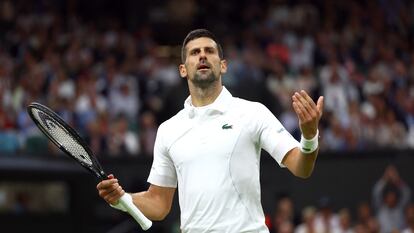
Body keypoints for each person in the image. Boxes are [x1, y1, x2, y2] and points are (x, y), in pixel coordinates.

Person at [96, 29, 324, 233]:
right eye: (194, 52)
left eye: (209, 51)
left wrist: (309, 136)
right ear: (183, 70)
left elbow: (301, 167)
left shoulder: (253, 112)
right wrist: (122, 199)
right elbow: (159, 204)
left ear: (223, 65)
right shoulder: (168, 130)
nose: (202, 55)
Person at [372, 164, 412, 233]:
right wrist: (384, 179)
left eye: (393, 197)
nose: (391, 199)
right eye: (389, 197)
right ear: (385, 199)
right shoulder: (381, 208)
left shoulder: (400, 208)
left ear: (396, 198)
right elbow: (376, 193)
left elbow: (407, 194)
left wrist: (397, 180)